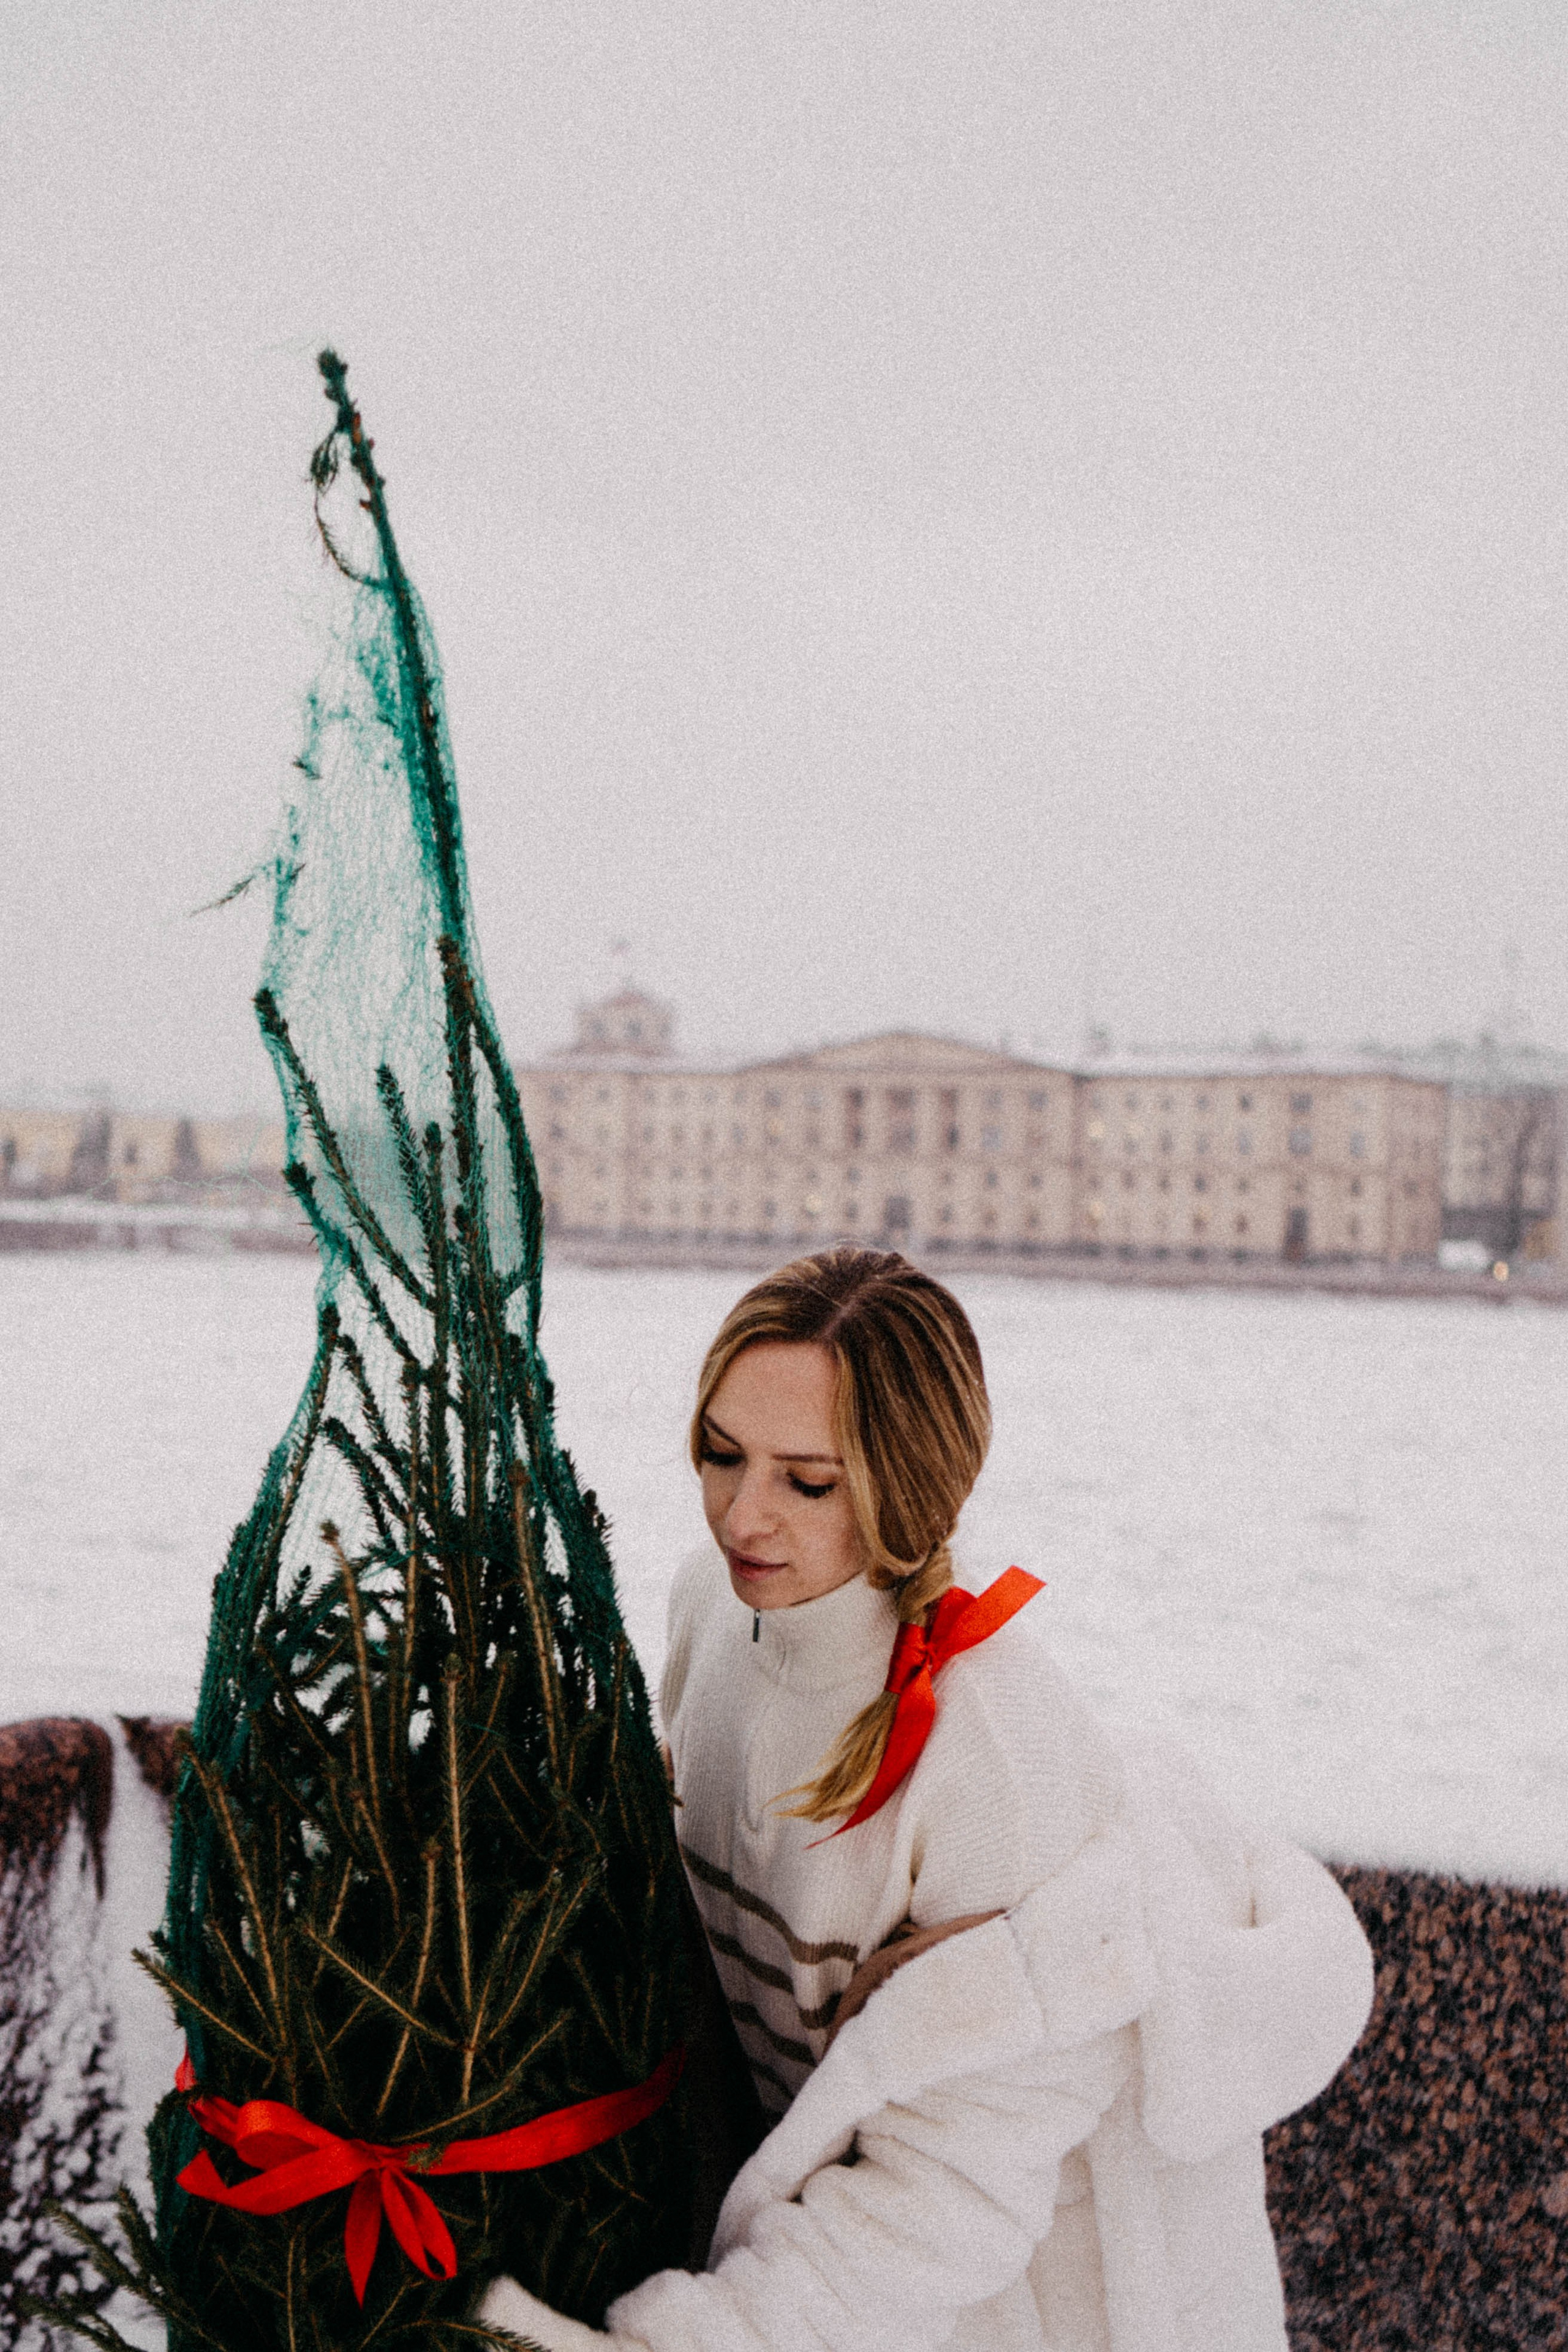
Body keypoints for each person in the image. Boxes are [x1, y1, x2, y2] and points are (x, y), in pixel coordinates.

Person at [483, 1248, 1373, 2352]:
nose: (741, 1517)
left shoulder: (994, 1757)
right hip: (799, 2251)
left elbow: (942, 2200)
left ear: (909, 1483)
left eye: (807, 1482)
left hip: (1015, 2306)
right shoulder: (710, 1612)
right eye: (721, 1455)